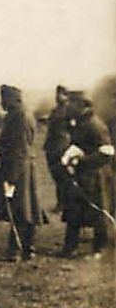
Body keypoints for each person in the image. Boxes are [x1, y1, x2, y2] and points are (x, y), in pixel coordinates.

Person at [57, 92, 114, 257]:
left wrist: (82, 161)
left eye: (72, 104)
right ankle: (70, 247)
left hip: (97, 176)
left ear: (83, 105)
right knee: (74, 210)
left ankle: (99, 249)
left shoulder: (95, 125)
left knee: (98, 213)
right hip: (82, 175)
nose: (68, 107)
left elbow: (107, 153)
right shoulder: (80, 123)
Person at [0, 84, 41, 261]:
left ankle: (17, 250)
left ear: (12, 99)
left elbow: (19, 149)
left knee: (20, 210)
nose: (1, 102)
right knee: (24, 209)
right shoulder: (18, 114)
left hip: (18, 168)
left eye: (4, 99)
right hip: (20, 166)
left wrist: (11, 178)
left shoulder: (20, 116)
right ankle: (27, 248)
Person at [44, 85, 73, 213]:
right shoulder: (55, 110)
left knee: (64, 177)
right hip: (52, 147)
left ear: (66, 96)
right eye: (57, 94)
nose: (58, 97)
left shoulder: (70, 111)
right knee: (57, 176)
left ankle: (65, 204)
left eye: (61, 94)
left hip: (62, 147)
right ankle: (61, 203)